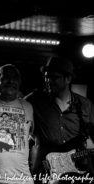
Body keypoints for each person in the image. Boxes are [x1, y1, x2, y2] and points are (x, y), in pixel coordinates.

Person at [25, 56, 94, 184]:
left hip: (74, 171)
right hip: (44, 169)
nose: (48, 81)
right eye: (46, 76)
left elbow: (89, 137)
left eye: (54, 77)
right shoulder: (34, 101)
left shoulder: (85, 105)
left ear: (68, 79)